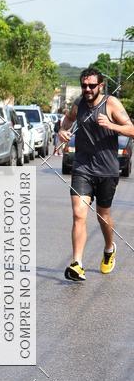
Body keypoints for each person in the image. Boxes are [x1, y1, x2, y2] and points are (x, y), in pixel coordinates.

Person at [58, 68, 132, 281]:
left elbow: (131, 129)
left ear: (101, 86)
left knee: (103, 215)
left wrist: (112, 125)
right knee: (79, 214)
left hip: (107, 170)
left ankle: (109, 248)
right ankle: (77, 264)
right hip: (82, 168)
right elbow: (68, 120)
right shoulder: (78, 104)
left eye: (92, 86)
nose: (87, 89)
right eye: (84, 85)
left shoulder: (111, 104)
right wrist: (62, 131)